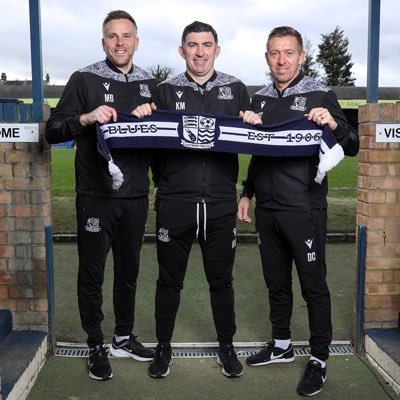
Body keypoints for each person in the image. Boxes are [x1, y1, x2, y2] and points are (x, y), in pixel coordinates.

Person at [238, 26, 359, 396]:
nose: (281, 60)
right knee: (276, 283)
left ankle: (319, 358)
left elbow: (352, 145)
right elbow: (259, 151)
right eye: (274, 53)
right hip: (268, 210)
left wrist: (333, 121)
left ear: (302, 56)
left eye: (289, 52)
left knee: (313, 286)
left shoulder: (320, 94)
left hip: (304, 208)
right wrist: (247, 193)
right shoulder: (258, 100)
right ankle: (281, 345)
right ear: (266, 57)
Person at [133, 21, 251, 379]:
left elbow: (257, 142)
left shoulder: (237, 89)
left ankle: (226, 346)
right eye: (193, 45)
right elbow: (153, 141)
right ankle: (164, 347)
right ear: (181, 50)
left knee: (222, 281)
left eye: (207, 44)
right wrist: (161, 184)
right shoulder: (164, 90)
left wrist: (254, 121)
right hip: (176, 202)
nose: (200, 52)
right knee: (169, 280)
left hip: (219, 203)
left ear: (217, 49)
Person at [45, 10, 158, 381]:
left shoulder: (150, 84)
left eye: (127, 36)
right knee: (92, 273)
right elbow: (53, 130)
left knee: (129, 271)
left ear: (137, 42)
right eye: (113, 36)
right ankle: (95, 343)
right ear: (103, 41)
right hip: (96, 194)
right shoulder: (84, 79)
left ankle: (123, 337)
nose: (120, 42)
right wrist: (86, 118)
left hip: (136, 195)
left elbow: (162, 138)